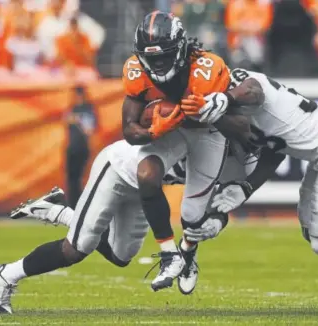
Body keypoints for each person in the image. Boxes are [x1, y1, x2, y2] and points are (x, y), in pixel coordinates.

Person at [182, 66, 318, 315]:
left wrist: (226, 99)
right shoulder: (232, 110)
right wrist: (246, 188)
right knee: (312, 228)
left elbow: (253, 90)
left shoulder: (238, 86)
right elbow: (274, 151)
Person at [0, 139, 229, 314]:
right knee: (77, 248)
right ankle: (5, 275)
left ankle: (55, 210)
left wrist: (214, 224)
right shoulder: (198, 131)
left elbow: (214, 202)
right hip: (118, 168)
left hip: (145, 189)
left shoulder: (222, 153)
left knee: (121, 256)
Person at [121, 11, 249, 292]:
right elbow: (129, 130)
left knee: (192, 217)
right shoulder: (135, 69)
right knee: (146, 174)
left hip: (208, 133)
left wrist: (211, 111)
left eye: (163, 56)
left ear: (180, 48)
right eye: (150, 57)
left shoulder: (207, 68)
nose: (156, 63)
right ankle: (169, 253)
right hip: (171, 130)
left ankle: (188, 252)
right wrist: (154, 131)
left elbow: (242, 125)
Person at [65, 85, 97, 209]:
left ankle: (81, 204)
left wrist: (78, 120)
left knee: (80, 179)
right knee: (71, 179)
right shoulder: (72, 109)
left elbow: (89, 129)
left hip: (82, 148)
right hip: (71, 147)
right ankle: (72, 205)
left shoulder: (88, 109)